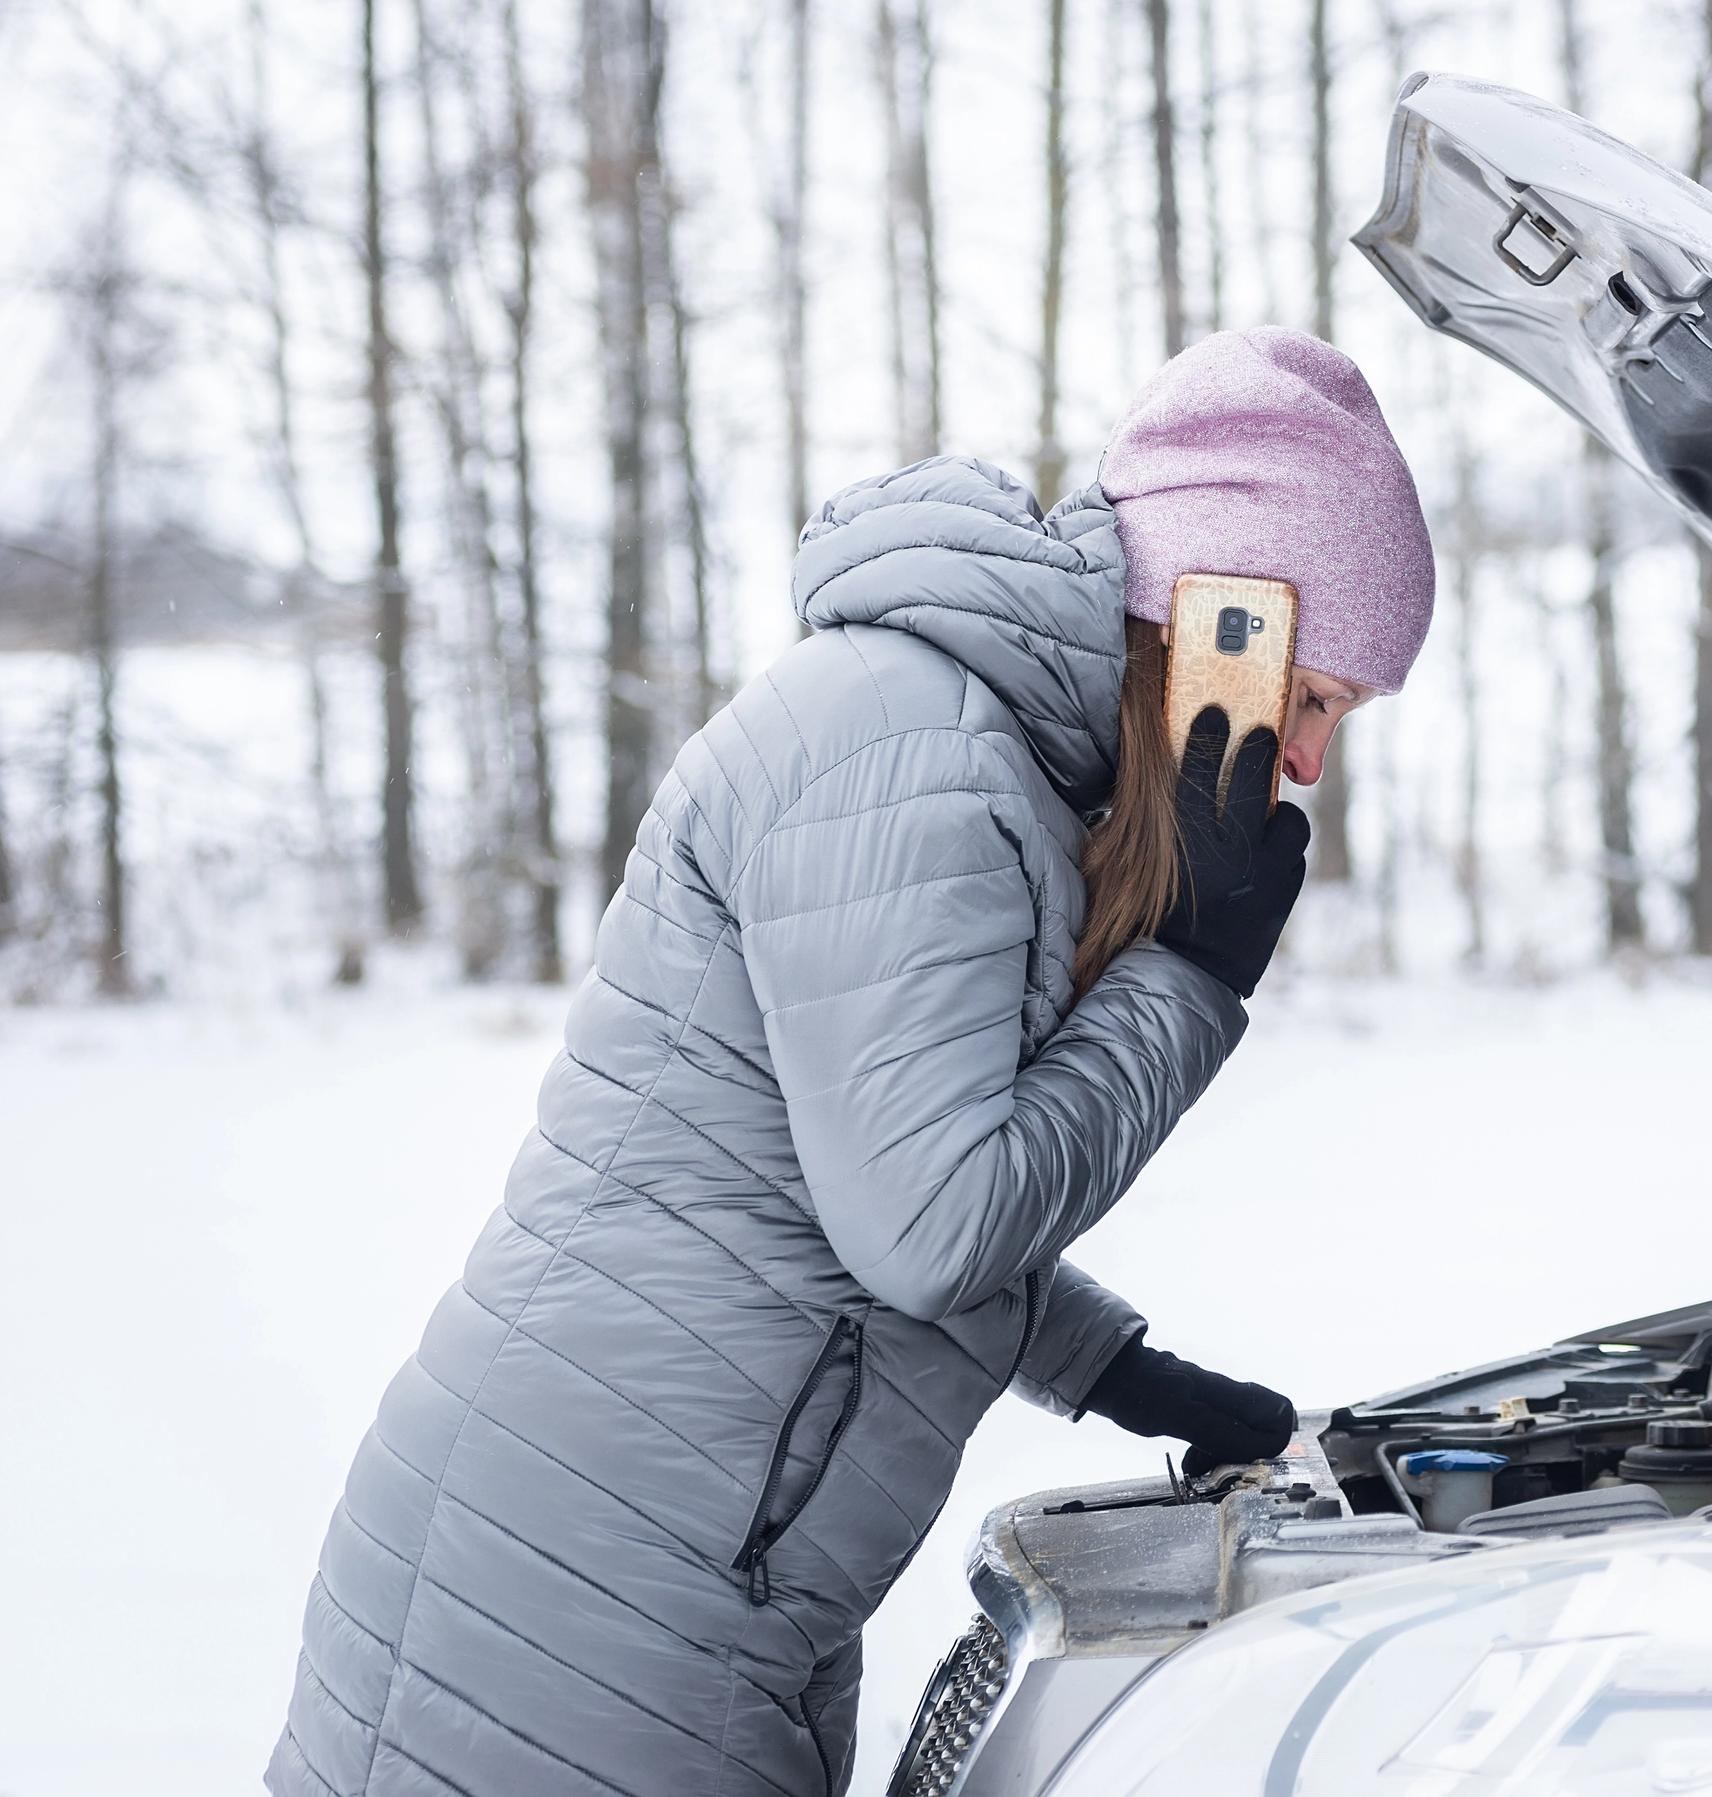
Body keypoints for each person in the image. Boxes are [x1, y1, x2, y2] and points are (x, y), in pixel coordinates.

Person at [266, 328, 1435, 1797]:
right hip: (587, 1586)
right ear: (1220, 625)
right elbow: (930, 1226)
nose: (1309, 762)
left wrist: (1122, 1370)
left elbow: (827, 1180)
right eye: (1316, 698)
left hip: (671, 1561)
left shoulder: (972, 752)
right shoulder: (911, 749)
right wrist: (1188, 977)